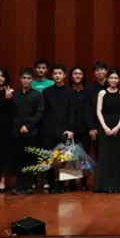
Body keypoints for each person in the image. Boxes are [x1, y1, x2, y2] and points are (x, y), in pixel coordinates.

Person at [40, 63, 75, 193]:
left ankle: (62, 183)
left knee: (63, 158)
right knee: (49, 157)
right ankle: (49, 182)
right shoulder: (46, 91)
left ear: (65, 75)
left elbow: (72, 111)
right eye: (55, 74)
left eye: (60, 73)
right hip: (49, 128)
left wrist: (70, 128)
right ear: (52, 76)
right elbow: (44, 111)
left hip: (65, 128)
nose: (57, 76)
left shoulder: (70, 92)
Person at [10, 68, 44, 195]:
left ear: (32, 80)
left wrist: (28, 126)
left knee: (30, 159)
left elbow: (39, 113)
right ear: (20, 79)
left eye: (29, 78)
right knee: (18, 159)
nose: (26, 80)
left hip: (31, 132)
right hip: (16, 132)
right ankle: (19, 185)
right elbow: (11, 113)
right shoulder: (14, 95)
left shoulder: (37, 95)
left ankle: (29, 185)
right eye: (24, 78)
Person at [94, 68, 120, 193]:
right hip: (105, 126)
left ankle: (118, 185)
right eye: (111, 78)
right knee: (105, 155)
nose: (113, 80)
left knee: (118, 156)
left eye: (116, 78)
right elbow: (98, 111)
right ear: (108, 79)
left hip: (118, 126)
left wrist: (118, 126)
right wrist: (105, 127)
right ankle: (103, 185)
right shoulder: (102, 93)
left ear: (119, 80)